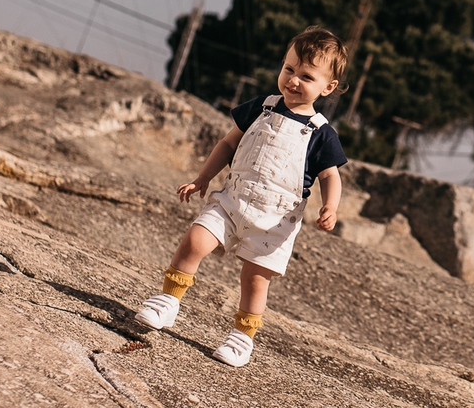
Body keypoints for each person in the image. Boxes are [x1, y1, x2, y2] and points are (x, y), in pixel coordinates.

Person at [134, 26, 349, 367]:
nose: (292, 80)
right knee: (194, 241)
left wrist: (330, 206)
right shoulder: (260, 108)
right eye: (288, 69)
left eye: (306, 76)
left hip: (274, 220)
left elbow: (330, 175)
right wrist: (203, 177)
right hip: (232, 199)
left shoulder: (322, 133)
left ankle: (241, 338)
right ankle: (166, 302)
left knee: (254, 280)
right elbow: (227, 144)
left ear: (328, 87)